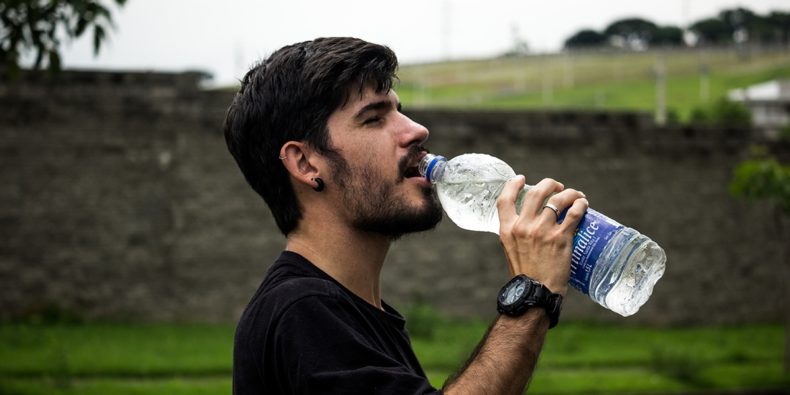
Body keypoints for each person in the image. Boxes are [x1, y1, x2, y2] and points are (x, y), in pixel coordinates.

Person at [223, 37, 588, 395]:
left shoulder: (351, 310)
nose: (416, 130)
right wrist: (531, 296)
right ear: (305, 163)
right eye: (373, 118)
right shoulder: (303, 311)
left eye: (399, 110)